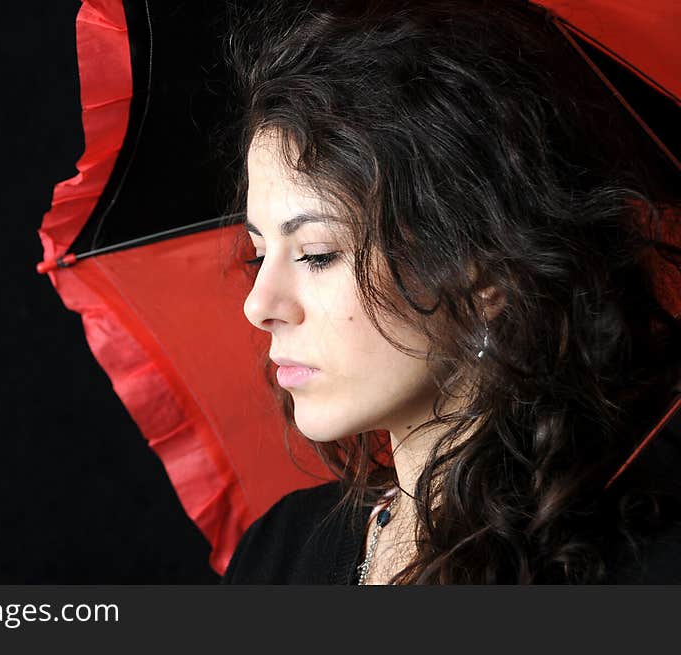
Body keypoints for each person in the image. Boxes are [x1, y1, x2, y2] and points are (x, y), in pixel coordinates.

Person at [218, 0, 681, 584]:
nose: (258, 305)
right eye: (259, 254)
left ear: (487, 278)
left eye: (317, 254)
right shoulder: (278, 555)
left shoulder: (642, 570)